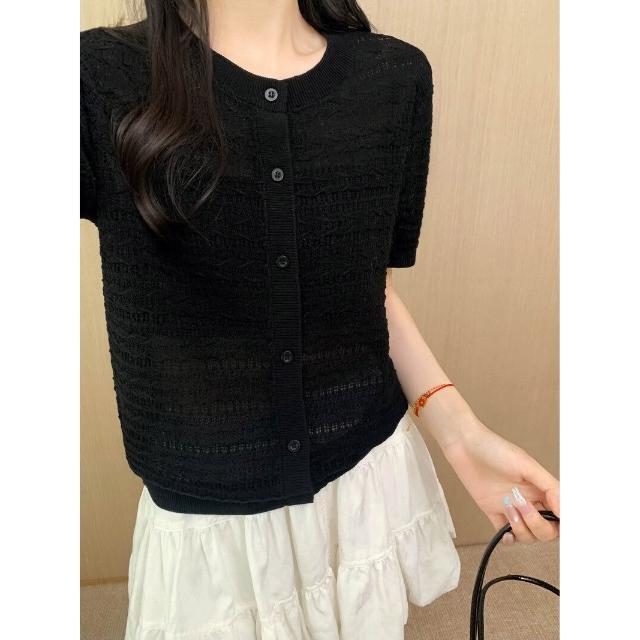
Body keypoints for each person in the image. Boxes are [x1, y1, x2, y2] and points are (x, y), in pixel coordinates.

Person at [80, 2, 560, 638]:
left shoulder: (394, 78)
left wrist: (460, 434)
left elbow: (366, 292)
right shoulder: (96, 77)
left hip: (364, 473)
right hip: (211, 525)